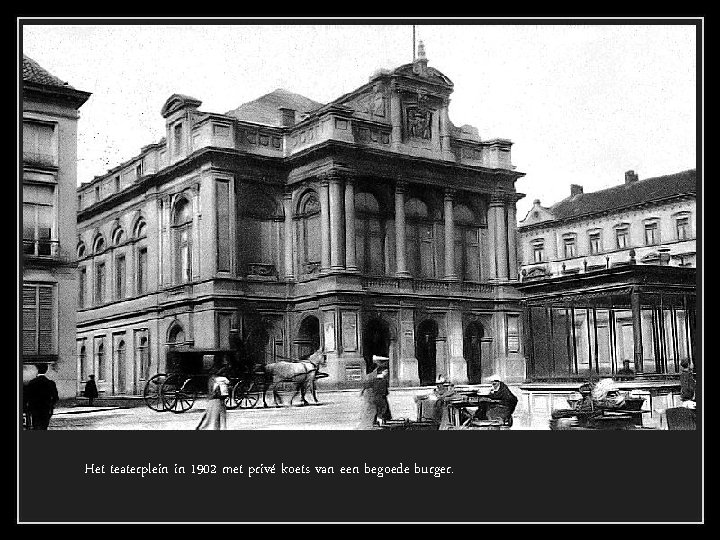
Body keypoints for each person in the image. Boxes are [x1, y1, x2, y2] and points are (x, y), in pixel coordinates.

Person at [357, 356, 392, 429]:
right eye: (385, 371)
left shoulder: (376, 377)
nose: (387, 372)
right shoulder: (377, 377)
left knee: (380, 410)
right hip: (378, 397)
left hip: (377, 397)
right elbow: (370, 385)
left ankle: (379, 422)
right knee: (381, 410)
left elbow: (367, 385)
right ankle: (380, 422)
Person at [23, 364, 59, 430]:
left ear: (37, 370)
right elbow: (55, 397)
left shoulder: (32, 383)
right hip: (46, 408)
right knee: (44, 426)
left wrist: (27, 407)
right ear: (46, 370)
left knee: (36, 425)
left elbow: (26, 396)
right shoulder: (50, 383)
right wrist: (51, 405)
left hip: (34, 408)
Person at [196, 361, 230, 430]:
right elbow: (227, 384)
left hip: (211, 400)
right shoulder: (222, 379)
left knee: (209, 417)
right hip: (219, 401)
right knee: (218, 419)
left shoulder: (211, 379)